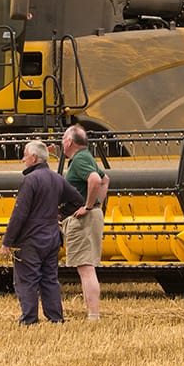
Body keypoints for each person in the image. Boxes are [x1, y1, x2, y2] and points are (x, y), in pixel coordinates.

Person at [0, 140, 82, 325]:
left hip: (30, 240)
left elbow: (19, 214)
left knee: (27, 280)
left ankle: (29, 320)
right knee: (49, 279)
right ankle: (56, 318)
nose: (23, 159)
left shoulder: (30, 180)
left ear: (34, 158)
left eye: (25, 155)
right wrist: (60, 213)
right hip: (52, 237)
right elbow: (77, 200)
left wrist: (7, 242)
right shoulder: (57, 178)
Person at [60, 125, 109, 320]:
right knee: (87, 267)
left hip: (84, 219)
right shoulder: (86, 157)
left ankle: (93, 315)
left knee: (86, 269)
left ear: (70, 142)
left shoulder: (79, 159)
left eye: (63, 139)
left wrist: (88, 206)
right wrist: (98, 204)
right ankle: (92, 313)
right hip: (92, 216)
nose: (62, 142)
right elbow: (106, 180)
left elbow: (96, 180)